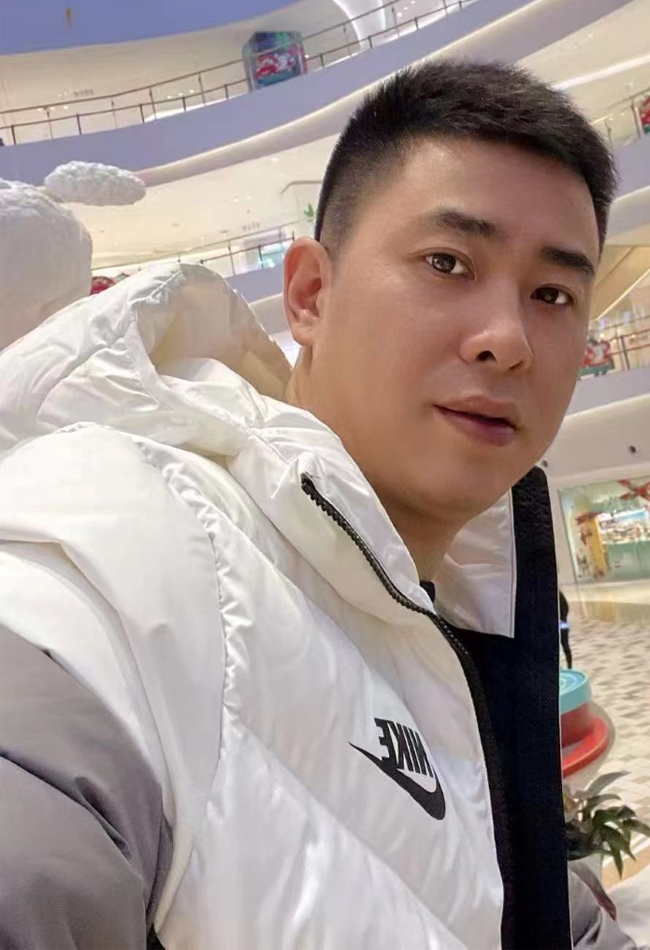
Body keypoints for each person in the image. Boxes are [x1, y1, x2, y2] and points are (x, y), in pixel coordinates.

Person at [0, 60, 637, 949]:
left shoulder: (456, 605)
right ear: (310, 295)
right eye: (448, 263)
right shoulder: (116, 538)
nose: (508, 340)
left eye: (553, 294)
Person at [560, 588, 573, 667]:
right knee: (565, 646)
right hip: (562, 624)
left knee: (565, 645)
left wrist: (561, 619)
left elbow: (566, 608)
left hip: (562, 624)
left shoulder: (559, 594)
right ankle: (569, 666)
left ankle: (569, 666)